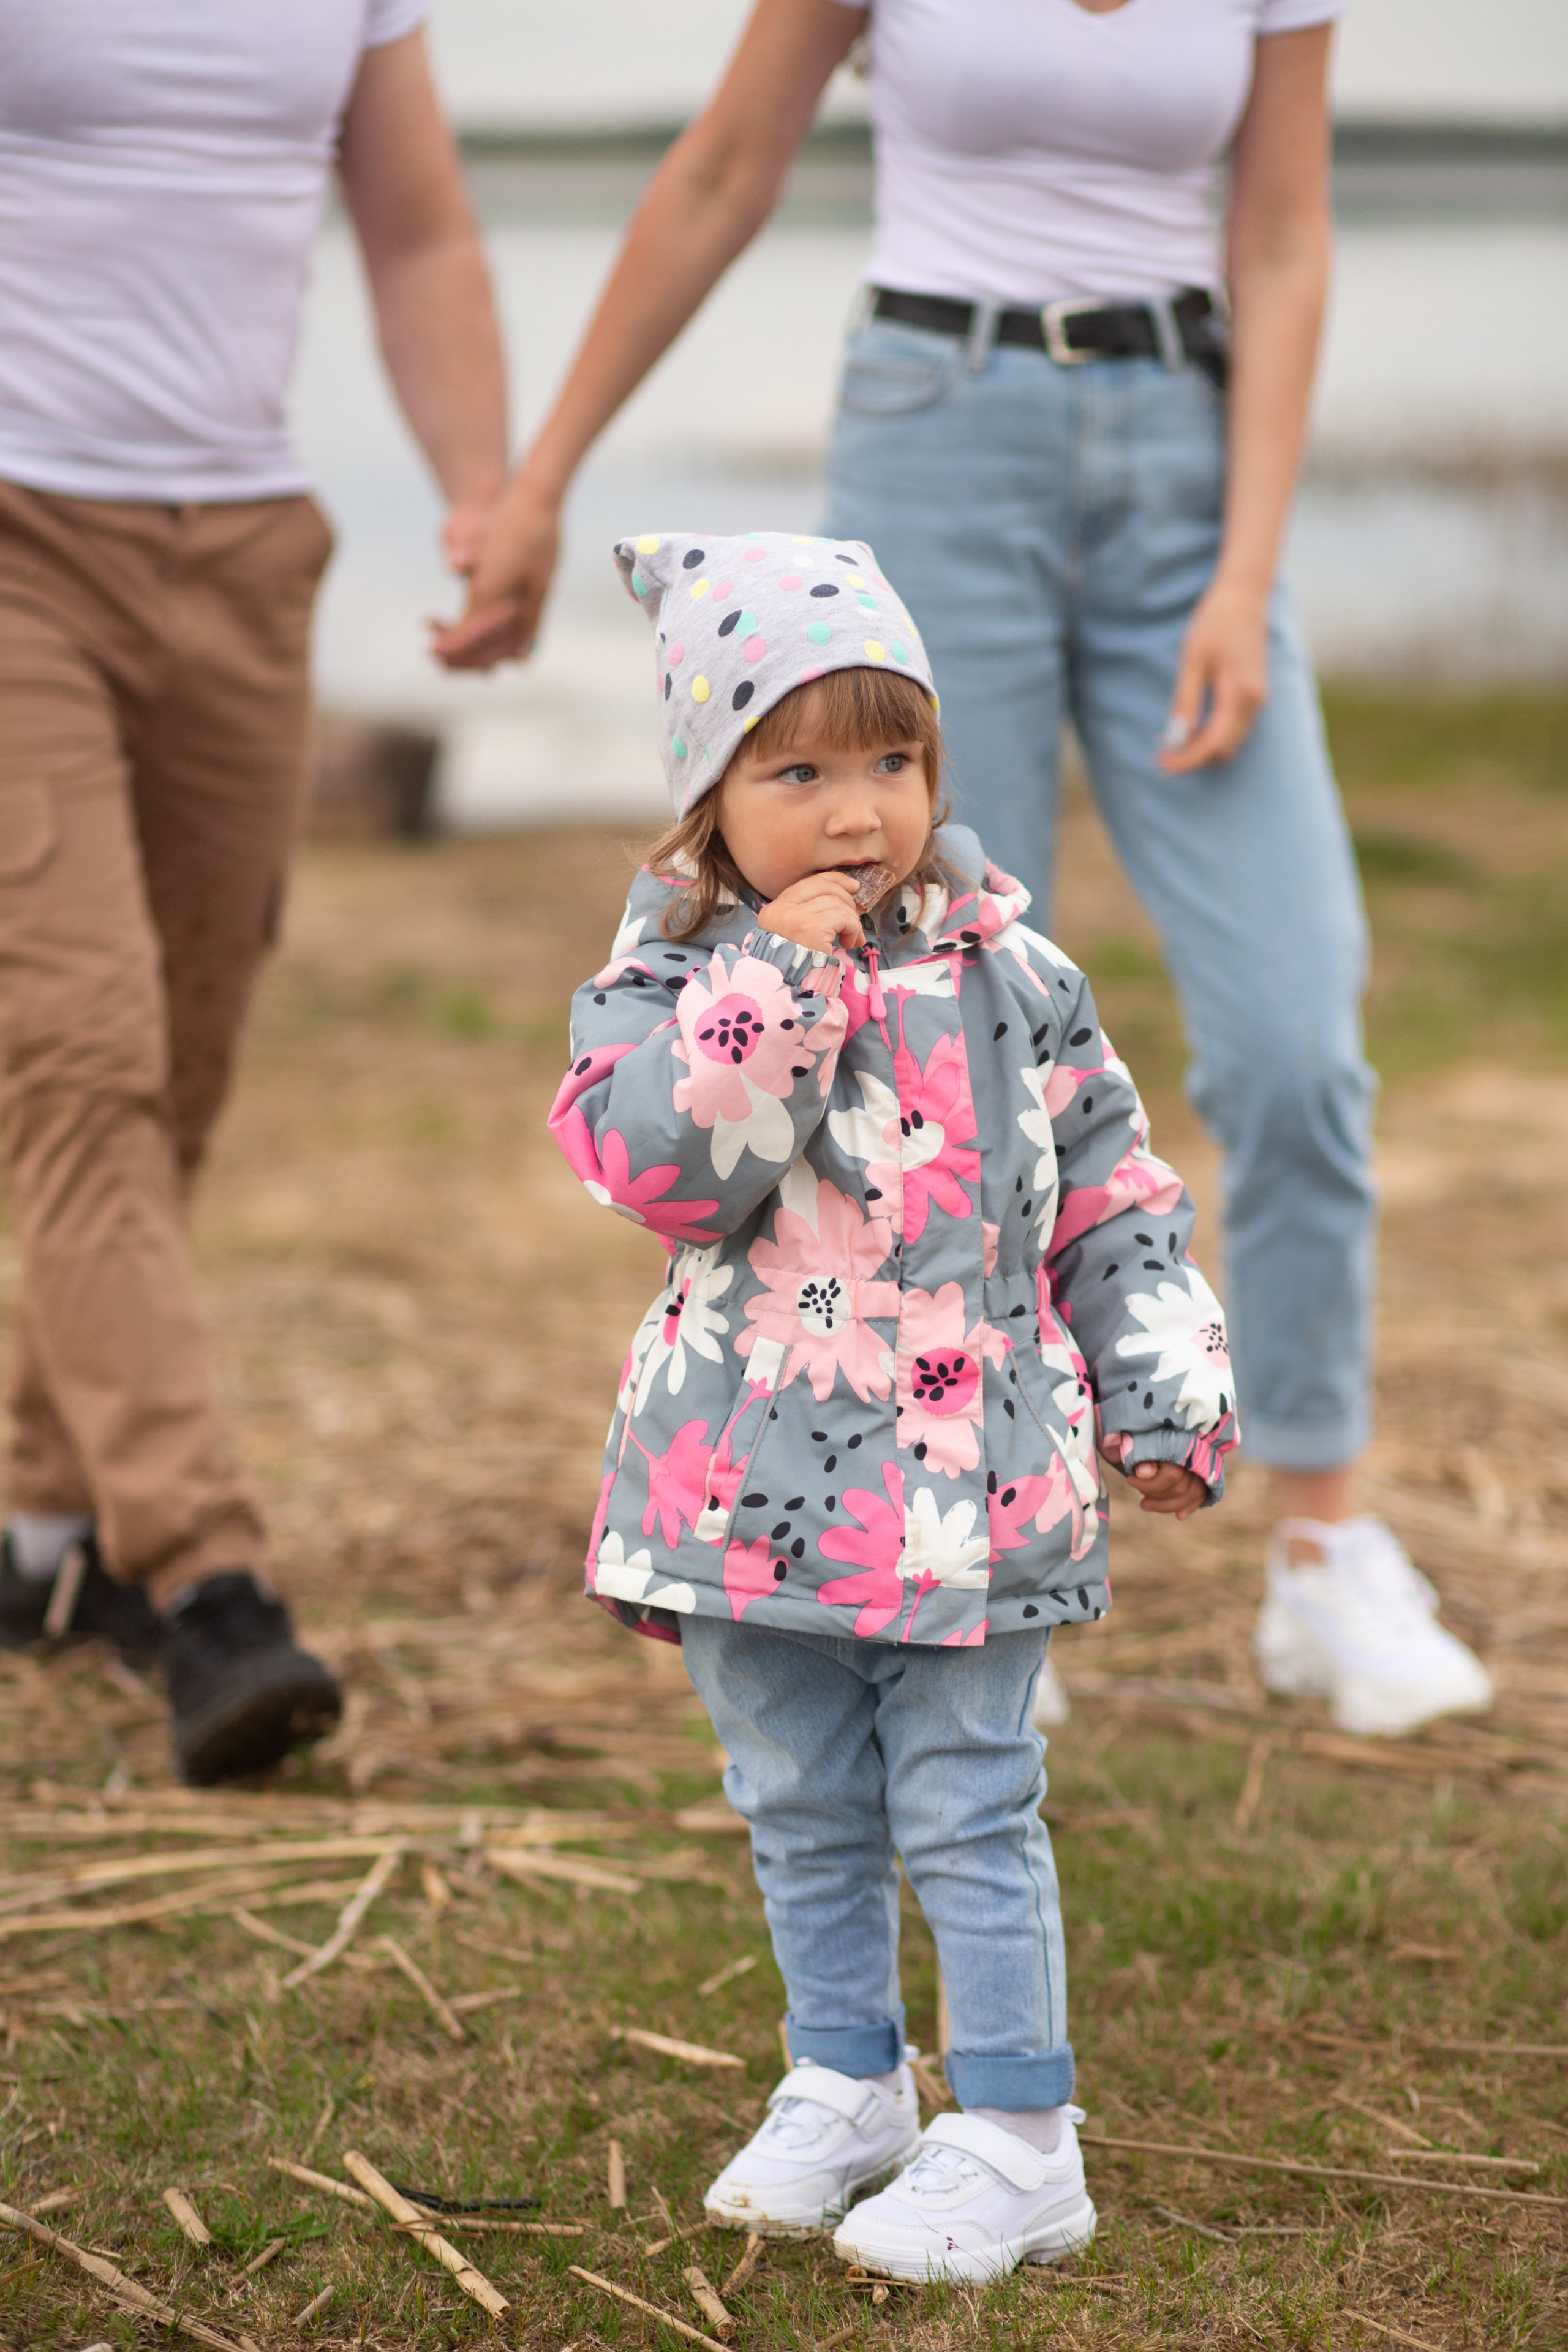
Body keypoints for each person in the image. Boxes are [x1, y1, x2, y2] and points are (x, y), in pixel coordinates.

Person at [440, 0, 1492, 1741]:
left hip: (1188, 455)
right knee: (919, 1057)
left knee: (1301, 1033)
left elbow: (1287, 230)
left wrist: (1247, 573)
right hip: (940, 429)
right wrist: (543, 481)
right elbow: (721, 171)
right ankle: (960, 1551)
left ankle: (1323, 1548)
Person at [549, 527, 1236, 2280]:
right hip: (744, 1476)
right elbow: (663, 1173)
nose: (857, 809)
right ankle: (846, 2073)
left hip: (965, 1485)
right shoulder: (667, 983)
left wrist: (1161, 1383)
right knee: (796, 1794)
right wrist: (777, 983)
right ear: (711, 792)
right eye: (800, 767)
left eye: (893, 758)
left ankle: (1017, 2130)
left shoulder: (1016, 978)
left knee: (966, 1799)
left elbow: (1112, 1195)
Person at [0, 4, 508, 1781]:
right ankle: (206, 1577)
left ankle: (44, 1534)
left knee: (187, 1058)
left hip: (242, 554)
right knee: (82, 1056)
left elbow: (420, 221)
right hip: (14, 531)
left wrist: (480, 491)